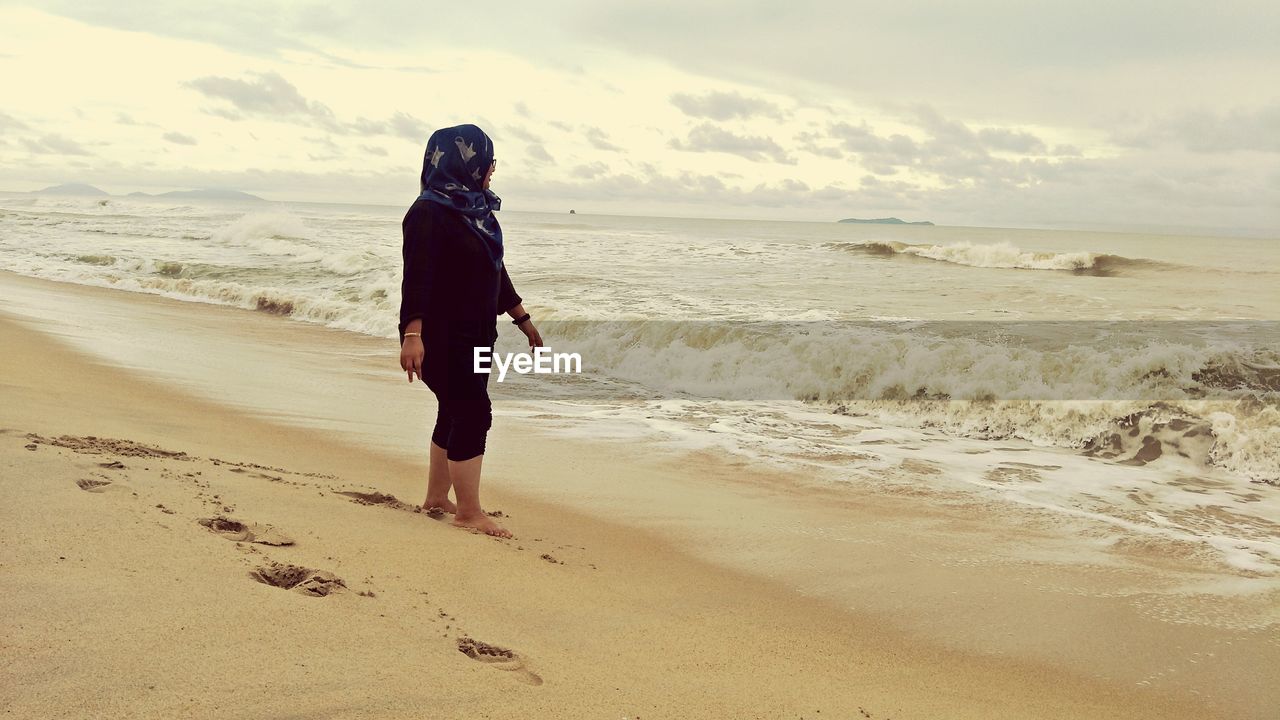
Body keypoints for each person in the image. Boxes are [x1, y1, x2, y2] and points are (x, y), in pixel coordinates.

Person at [398, 124, 542, 538]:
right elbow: (417, 277)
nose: (492, 170)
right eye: (488, 161)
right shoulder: (428, 211)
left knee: (455, 409)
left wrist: (522, 319)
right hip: (440, 336)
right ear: (464, 160)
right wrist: (412, 335)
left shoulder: (475, 213)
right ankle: (469, 512)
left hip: (476, 335)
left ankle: (437, 499)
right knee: (473, 410)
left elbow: (494, 271)